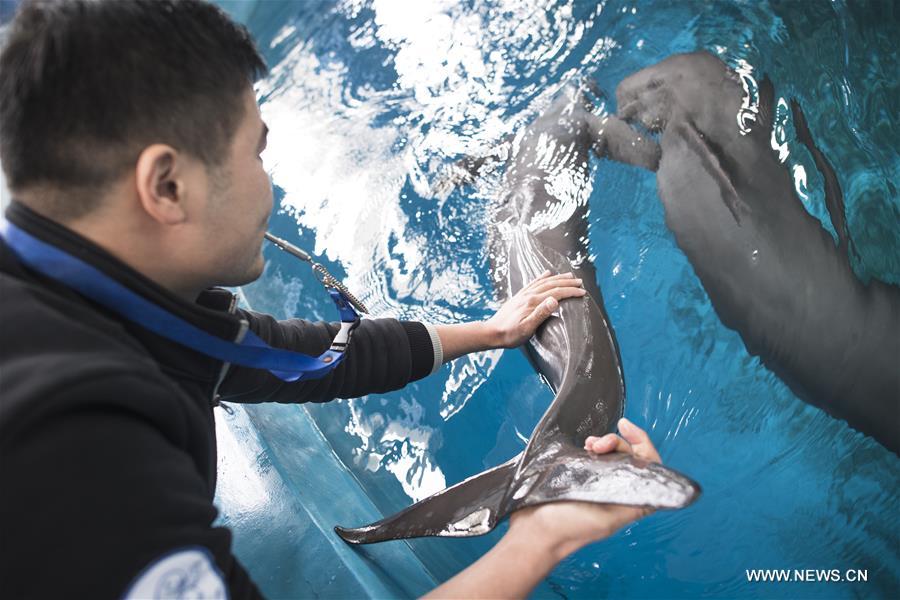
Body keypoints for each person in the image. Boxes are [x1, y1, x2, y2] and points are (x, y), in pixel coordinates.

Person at [0, 1, 665, 598]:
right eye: (257, 155)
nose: (266, 185)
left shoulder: (101, 294)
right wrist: (542, 538)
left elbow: (297, 357)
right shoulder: (80, 454)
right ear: (167, 187)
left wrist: (486, 332)